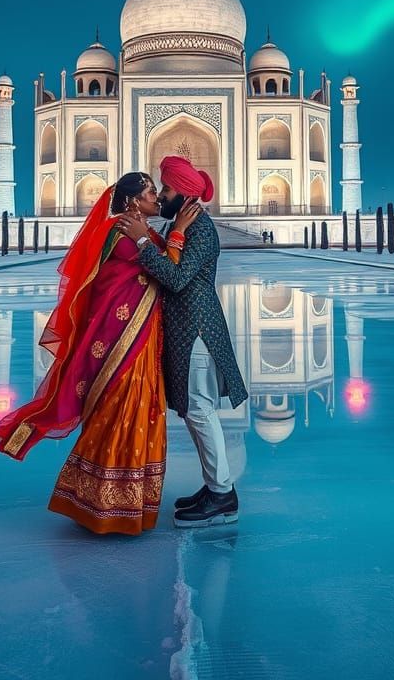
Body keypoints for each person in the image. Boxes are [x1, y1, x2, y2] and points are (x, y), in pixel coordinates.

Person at [0, 172, 201, 536]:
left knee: (137, 409)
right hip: (120, 341)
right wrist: (178, 232)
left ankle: (125, 503)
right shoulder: (122, 235)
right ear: (133, 201)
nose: (158, 199)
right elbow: (168, 272)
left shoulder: (141, 234)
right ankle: (102, 503)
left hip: (140, 337)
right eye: (152, 193)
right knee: (121, 408)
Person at [119, 155, 249, 528]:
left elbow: (175, 279)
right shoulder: (183, 224)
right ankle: (215, 486)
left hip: (199, 332)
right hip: (187, 332)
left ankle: (223, 494)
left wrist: (142, 241)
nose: (161, 196)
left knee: (200, 411)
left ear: (186, 193)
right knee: (195, 412)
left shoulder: (201, 230)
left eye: (167, 189)